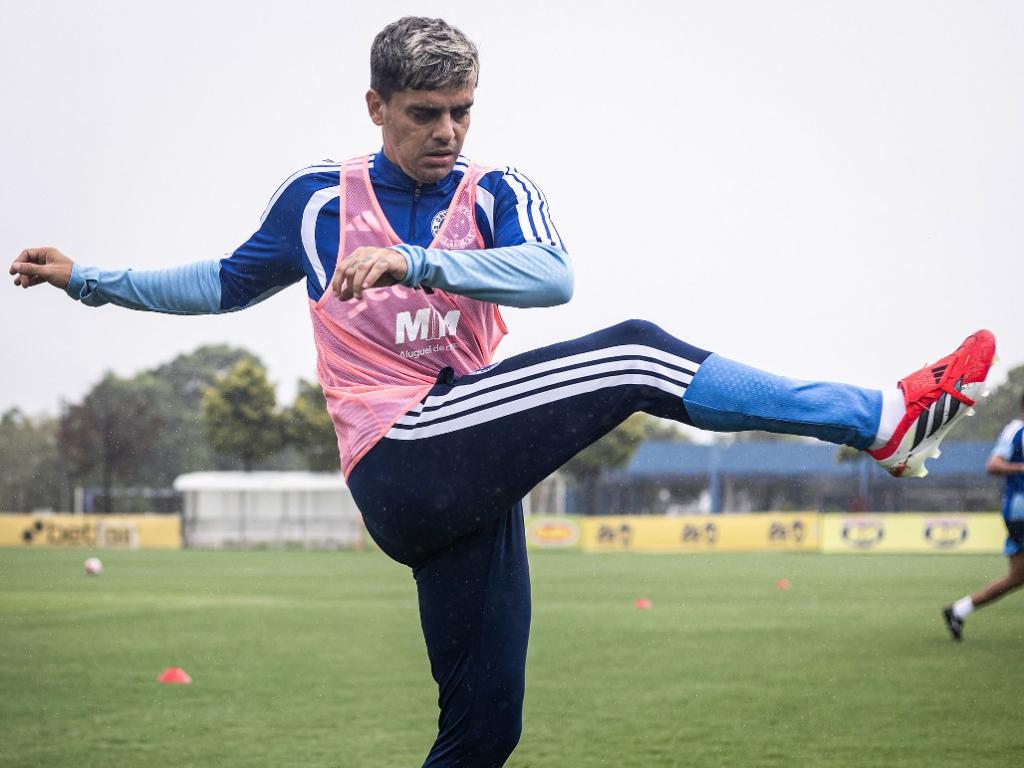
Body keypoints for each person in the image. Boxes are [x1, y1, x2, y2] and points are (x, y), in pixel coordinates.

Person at [10, 16, 996, 768]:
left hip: (470, 477)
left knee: (485, 733)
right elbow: (222, 282)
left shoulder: (495, 191)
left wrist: (415, 261)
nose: (447, 131)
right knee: (637, 353)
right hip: (398, 459)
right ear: (375, 107)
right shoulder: (317, 200)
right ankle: (879, 419)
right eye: (424, 113)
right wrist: (87, 279)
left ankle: (883, 424)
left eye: (462, 111)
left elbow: (552, 276)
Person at [942, 394, 1024, 641]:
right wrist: (1020, 468)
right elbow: (993, 465)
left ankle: (959, 610)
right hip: (1020, 511)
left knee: (1018, 576)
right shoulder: (1016, 431)